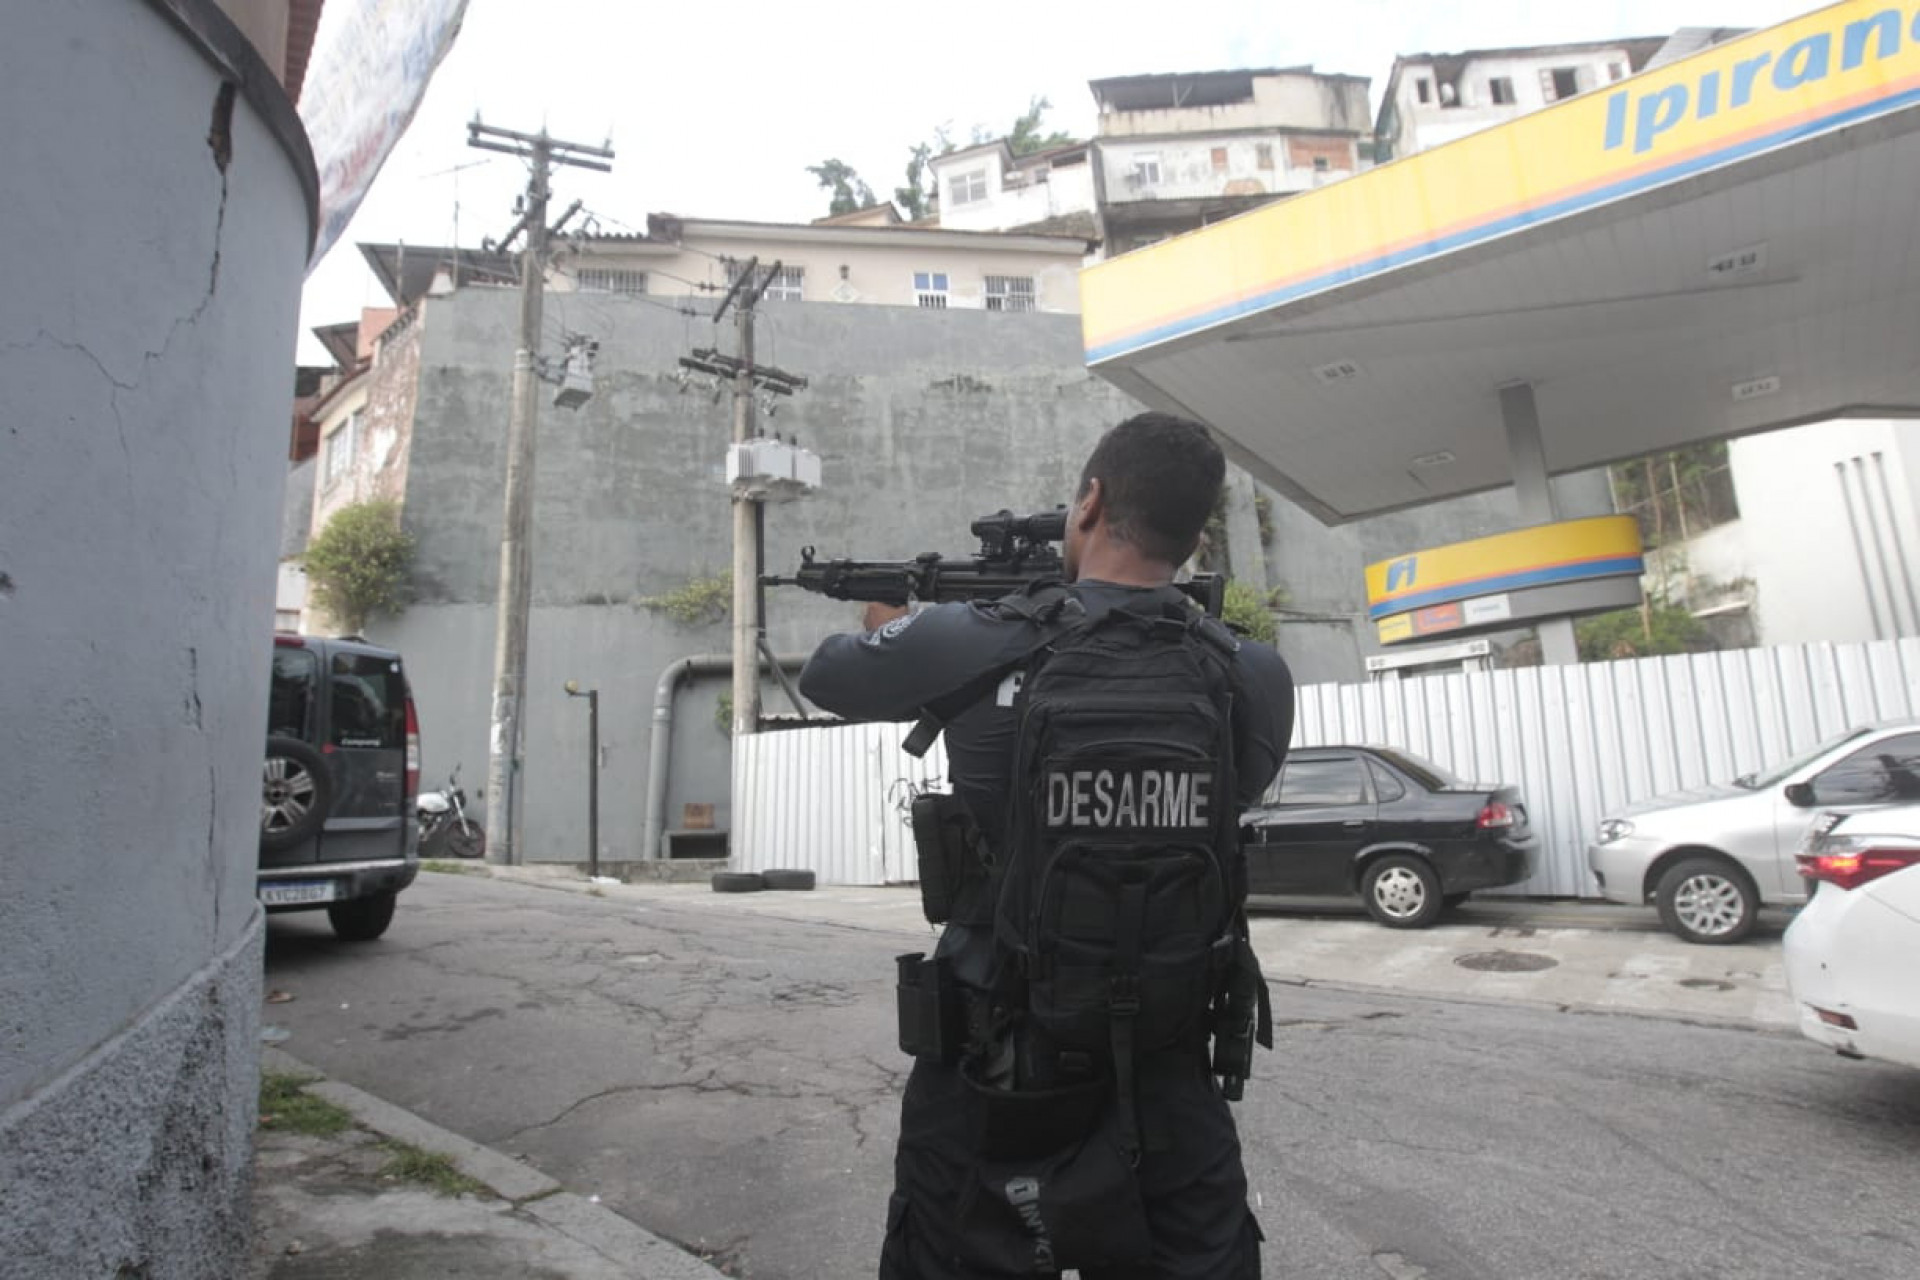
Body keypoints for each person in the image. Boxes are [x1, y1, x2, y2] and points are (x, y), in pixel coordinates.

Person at [800, 412, 1295, 1279]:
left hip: (992, 1065)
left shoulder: (975, 639)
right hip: (1170, 1061)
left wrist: (909, 625)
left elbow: (827, 673)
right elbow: (1226, 805)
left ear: (1092, 500)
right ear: (1196, 532)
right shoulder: (1246, 672)